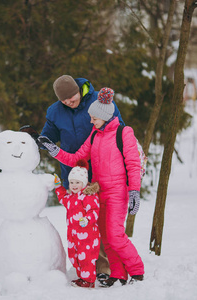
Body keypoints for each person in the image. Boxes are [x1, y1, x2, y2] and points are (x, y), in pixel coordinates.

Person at [38, 87, 145, 287]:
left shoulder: (124, 133)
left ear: (103, 116)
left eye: (93, 118)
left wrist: (134, 191)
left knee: (115, 235)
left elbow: (133, 164)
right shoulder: (95, 135)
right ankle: (118, 274)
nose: (90, 121)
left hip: (117, 192)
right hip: (98, 192)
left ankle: (137, 271)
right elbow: (76, 158)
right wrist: (55, 151)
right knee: (105, 235)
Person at [54, 159, 100, 288]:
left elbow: (94, 211)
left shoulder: (88, 196)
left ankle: (89, 280)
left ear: (84, 183)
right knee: (74, 256)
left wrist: (87, 219)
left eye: (77, 182)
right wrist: (58, 186)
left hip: (88, 235)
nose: (74, 185)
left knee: (86, 258)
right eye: (72, 182)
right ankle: (82, 277)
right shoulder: (71, 197)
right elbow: (63, 198)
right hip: (73, 234)